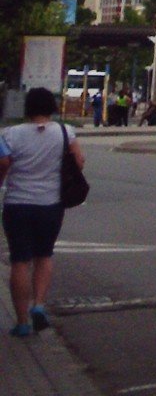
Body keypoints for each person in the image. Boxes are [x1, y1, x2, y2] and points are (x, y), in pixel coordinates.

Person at [1, 87, 86, 338]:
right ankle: (38, 305)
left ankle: (22, 321)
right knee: (44, 255)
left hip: (18, 203)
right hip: (51, 204)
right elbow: (79, 161)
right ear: (51, 107)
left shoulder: (10, 134)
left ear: (28, 108)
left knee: (20, 260)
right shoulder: (64, 132)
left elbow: (4, 163)